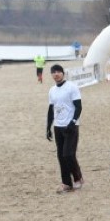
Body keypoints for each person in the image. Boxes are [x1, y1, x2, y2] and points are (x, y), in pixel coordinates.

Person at [46, 64, 84, 193]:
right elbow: (51, 110)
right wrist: (48, 127)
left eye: (58, 72)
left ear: (63, 73)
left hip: (71, 126)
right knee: (61, 156)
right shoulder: (52, 90)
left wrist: (73, 122)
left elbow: (78, 106)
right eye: (53, 72)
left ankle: (78, 178)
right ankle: (66, 183)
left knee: (68, 154)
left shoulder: (72, 87)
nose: (56, 74)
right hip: (58, 126)